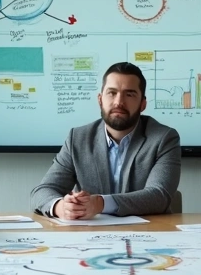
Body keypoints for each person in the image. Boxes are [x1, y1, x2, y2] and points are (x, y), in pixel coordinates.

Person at [30, 62, 180, 218]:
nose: (118, 102)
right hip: (90, 231)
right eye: (112, 93)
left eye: (129, 94)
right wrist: (60, 207)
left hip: (147, 230)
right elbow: (43, 191)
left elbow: (159, 196)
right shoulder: (78, 138)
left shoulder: (164, 138)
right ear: (100, 99)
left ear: (143, 104)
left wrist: (101, 203)